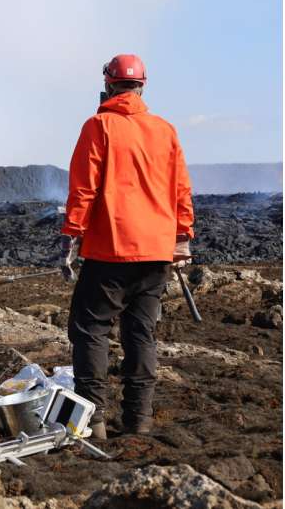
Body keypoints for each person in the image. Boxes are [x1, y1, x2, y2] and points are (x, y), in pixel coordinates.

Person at [61, 54, 194, 439]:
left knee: (89, 329)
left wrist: (71, 236)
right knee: (140, 333)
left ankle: (94, 421)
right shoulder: (165, 130)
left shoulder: (98, 126)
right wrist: (182, 236)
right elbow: (181, 188)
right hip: (156, 253)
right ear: (142, 86)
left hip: (110, 251)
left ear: (107, 84)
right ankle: (139, 420)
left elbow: (83, 188)